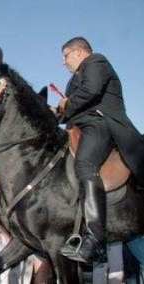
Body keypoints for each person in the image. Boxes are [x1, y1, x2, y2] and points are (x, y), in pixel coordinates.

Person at [56, 37, 144, 264]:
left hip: (102, 123)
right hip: (83, 125)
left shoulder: (96, 61)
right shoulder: (72, 80)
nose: (63, 62)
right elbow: (71, 109)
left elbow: (91, 92)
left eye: (65, 56)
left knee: (85, 164)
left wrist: (67, 104)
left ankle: (95, 238)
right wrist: (56, 112)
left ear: (78, 52)